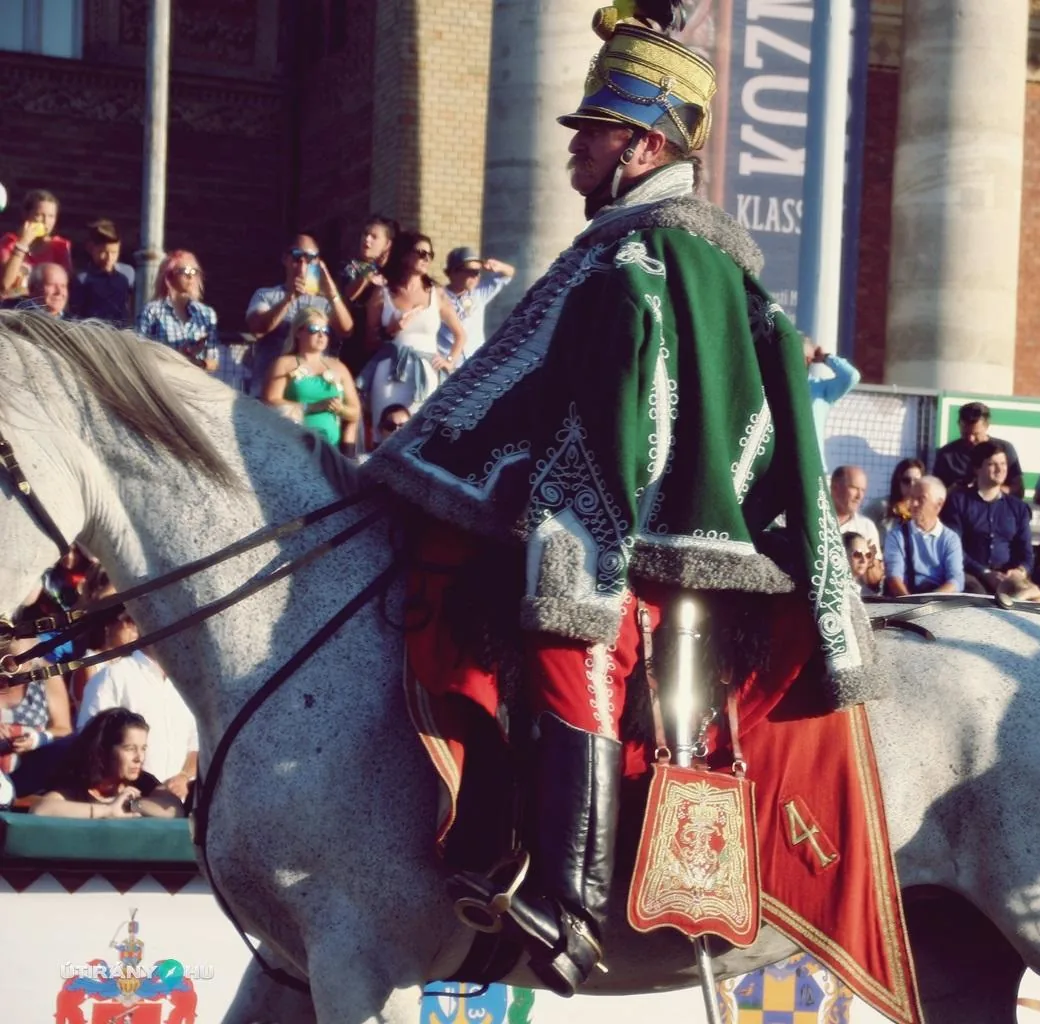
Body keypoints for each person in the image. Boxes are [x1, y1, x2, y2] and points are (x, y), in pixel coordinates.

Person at [362, 7, 878, 995]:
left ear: (643, 145)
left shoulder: (639, 263)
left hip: (657, 538)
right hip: (669, 524)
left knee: (567, 626)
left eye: (593, 131)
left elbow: (606, 438)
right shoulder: (660, 253)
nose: (575, 147)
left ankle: (567, 903)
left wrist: (501, 493)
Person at [74, 610, 198, 801]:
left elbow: (195, 747)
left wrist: (183, 777)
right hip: (124, 808)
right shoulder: (113, 677)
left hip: (178, 810)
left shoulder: (187, 684)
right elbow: (91, 745)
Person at [363, 230, 466, 440]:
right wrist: (391, 329)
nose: (426, 258)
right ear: (404, 255)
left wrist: (449, 360)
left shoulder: (436, 293)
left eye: (430, 254)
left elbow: (460, 334)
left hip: (426, 372)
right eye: (421, 252)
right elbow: (368, 340)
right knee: (387, 431)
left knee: (422, 433)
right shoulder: (383, 292)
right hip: (389, 371)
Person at [245, 234, 355, 393]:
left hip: (312, 391)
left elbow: (346, 330)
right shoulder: (266, 295)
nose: (303, 263)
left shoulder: (325, 302)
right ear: (285, 259)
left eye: (310, 258)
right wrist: (289, 298)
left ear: (318, 262)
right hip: (269, 391)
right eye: (297, 256)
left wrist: (332, 293)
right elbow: (258, 328)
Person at [31, 708, 185, 819]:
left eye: (143, 749)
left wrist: (129, 803)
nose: (139, 758)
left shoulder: (143, 782)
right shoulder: (78, 783)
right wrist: (107, 810)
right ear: (104, 750)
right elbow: (41, 809)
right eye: (130, 749)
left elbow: (174, 811)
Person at [940, 440, 1034, 595]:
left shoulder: (1018, 508)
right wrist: (984, 572)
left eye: (1003, 464)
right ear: (977, 468)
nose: (1000, 469)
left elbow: (1027, 553)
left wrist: (1020, 571)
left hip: (1008, 577)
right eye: (992, 464)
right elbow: (954, 547)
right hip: (972, 575)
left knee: (1032, 598)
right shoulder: (958, 502)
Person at [263, 306, 363, 450]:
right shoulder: (284, 364)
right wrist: (310, 407)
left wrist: (340, 409)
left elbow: (355, 411)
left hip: (330, 448)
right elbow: (270, 401)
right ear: (298, 332)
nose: (321, 335)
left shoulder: (338, 367)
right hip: (293, 444)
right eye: (314, 329)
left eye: (325, 331)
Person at [0, 637, 73, 797]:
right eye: (8, 662)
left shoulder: (47, 676)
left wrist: (37, 738)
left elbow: (64, 730)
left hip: (32, 780)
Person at [136, 250, 220, 373]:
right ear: (169, 275)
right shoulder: (152, 311)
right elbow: (138, 353)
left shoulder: (207, 314)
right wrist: (174, 357)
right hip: (163, 382)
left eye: (194, 271)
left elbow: (213, 361)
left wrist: (197, 363)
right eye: (184, 271)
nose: (190, 276)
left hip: (195, 385)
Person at [884, 476, 965, 596]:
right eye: (912, 498)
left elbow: (956, 580)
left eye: (921, 499)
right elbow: (894, 576)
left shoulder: (950, 539)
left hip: (939, 603)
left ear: (938, 504)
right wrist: (910, 605)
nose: (914, 504)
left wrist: (930, 601)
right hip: (905, 601)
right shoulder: (897, 536)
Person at [339, 214, 399, 373]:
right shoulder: (350, 267)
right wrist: (368, 275)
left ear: (387, 244)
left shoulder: (393, 273)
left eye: (374, 237)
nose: (367, 240)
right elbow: (348, 295)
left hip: (386, 341)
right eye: (365, 234)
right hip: (354, 341)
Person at [440, 246, 516, 364]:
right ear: (453, 272)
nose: (476, 276)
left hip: (475, 364)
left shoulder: (479, 293)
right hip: (447, 363)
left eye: (478, 271)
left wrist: (498, 266)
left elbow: (509, 273)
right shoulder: (437, 296)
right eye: (471, 271)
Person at [931, 402, 1023, 495]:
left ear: (986, 425)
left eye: (976, 434)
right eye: (965, 433)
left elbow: (1018, 489)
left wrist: (988, 489)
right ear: (959, 425)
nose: (971, 439)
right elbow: (936, 491)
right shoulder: (946, 454)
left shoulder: (1004, 449)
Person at [1, 188, 71, 297]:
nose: (46, 221)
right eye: (39, 215)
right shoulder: (9, 243)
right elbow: (5, 285)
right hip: (12, 308)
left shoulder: (59, 246)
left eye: (51, 216)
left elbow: (64, 289)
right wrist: (23, 244)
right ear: (26, 215)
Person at [805, 340, 860, 470]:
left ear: (809, 359)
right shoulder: (777, 384)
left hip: (813, 467)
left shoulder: (820, 388)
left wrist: (826, 358)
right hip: (780, 466)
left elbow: (851, 376)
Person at [70, 218, 135, 324]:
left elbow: (129, 306)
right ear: (90, 248)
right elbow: (76, 314)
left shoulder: (127, 274)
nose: (109, 258)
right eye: (103, 252)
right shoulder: (82, 279)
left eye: (114, 252)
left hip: (120, 333)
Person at [880, 458, 926, 532]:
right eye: (906, 481)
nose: (912, 485)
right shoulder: (881, 506)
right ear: (898, 482)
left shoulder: (926, 510)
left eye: (917, 481)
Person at [843, 532, 884, 597]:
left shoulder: (868, 593)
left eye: (868, 555)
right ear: (843, 554)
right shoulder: (837, 591)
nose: (864, 560)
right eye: (857, 554)